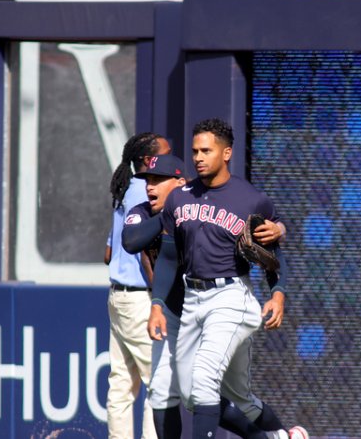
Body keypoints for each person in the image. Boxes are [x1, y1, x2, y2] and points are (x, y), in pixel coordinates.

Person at [123, 153, 293, 439]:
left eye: (158, 180)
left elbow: (270, 245)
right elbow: (131, 241)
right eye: (147, 180)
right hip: (176, 313)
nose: (150, 187)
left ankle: (280, 435)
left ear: (180, 182)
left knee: (226, 392)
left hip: (219, 305)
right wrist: (173, 211)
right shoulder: (147, 211)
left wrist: (281, 231)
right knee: (171, 391)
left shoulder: (202, 205)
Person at [163, 118, 303, 439]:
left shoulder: (250, 199)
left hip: (231, 298)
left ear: (226, 153)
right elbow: (171, 257)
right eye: (195, 150)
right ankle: (276, 438)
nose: (198, 157)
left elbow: (273, 249)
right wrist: (159, 302)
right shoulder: (180, 197)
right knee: (197, 395)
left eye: (206, 151)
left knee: (204, 381)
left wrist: (278, 292)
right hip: (193, 298)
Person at [106, 131, 169, 439]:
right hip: (140, 300)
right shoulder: (146, 192)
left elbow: (107, 253)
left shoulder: (123, 189)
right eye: (164, 155)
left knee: (121, 384)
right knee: (158, 382)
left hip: (117, 296)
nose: (169, 162)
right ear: (148, 161)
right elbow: (145, 252)